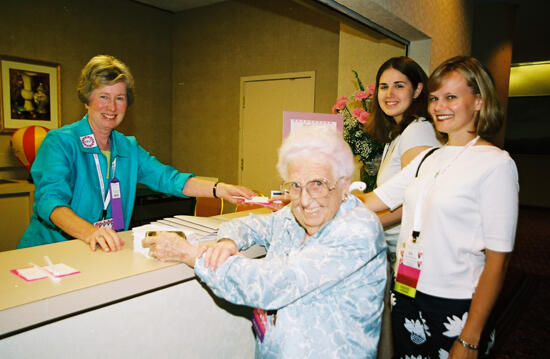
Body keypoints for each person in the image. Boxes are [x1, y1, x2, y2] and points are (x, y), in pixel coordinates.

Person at [145, 126, 387, 359]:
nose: (304, 200)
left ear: (344, 186)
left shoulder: (358, 229)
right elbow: (249, 225)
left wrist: (190, 254)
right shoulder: (294, 214)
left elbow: (273, 283)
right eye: (295, 186)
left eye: (318, 184)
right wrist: (228, 242)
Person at [358, 56, 519, 358]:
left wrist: (470, 337)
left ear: (479, 101)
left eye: (451, 97)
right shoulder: (427, 158)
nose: (438, 106)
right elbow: (370, 201)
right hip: (407, 292)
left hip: (456, 302)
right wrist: (311, 191)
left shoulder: (496, 164)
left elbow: (498, 262)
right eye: (434, 98)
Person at [18, 54, 255, 251]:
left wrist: (220, 189)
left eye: (119, 98)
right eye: (103, 97)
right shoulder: (61, 142)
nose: (111, 107)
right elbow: (50, 201)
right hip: (52, 252)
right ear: (87, 100)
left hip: (105, 248)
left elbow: (169, 179)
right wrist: (91, 233)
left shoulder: (127, 147)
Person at [365, 56, 441, 358]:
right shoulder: (398, 134)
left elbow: (417, 197)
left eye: (399, 85)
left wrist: (374, 223)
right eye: (384, 86)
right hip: (396, 249)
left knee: (407, 332)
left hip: (406, 254)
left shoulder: (418, 130)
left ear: (418, 89)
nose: (389, 94)